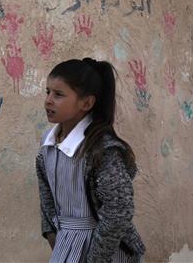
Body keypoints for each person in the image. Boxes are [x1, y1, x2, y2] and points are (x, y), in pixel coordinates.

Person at [35, 58, 145, 263]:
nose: (48, 100)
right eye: (47, 92)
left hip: (104, 250)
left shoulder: (102, 150)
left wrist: (95, 258)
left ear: (86, 103)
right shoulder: (47, 145)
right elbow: (46, 196)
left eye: (58, 94)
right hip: (65, 245)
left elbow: (119, 210)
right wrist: (52, 234)